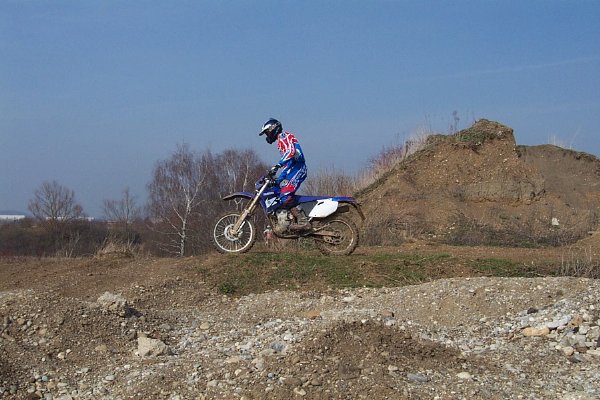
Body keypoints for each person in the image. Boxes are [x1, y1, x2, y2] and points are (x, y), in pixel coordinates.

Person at [259, 118, 309, 231]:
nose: (267, 136)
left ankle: (303, 221)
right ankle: (288, 220)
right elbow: (287, 165)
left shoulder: (284, 136)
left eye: (267, 133)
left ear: (273, 129)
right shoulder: (280, 141)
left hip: (299, 168)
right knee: (278, 191)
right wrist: (277, 179)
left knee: (285, 194)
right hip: (293, 169)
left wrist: (278, 165)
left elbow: (291, 151)